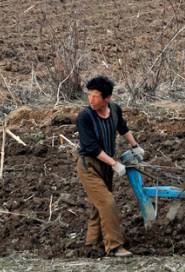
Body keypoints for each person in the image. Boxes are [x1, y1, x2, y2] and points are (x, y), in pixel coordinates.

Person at [76, 75, 144, 257]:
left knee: (99, 205)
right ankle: (114, 246)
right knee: (107, 202)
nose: (91, 100)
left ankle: (91, 244)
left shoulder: (114, 110)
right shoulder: (85, 117)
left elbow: (122, 128)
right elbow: (91, 147)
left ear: (107, 98)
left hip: (105, 166)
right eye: (89, 95)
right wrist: (115, 164)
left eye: (96, 96)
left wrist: (135, 146)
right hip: (89, 166)